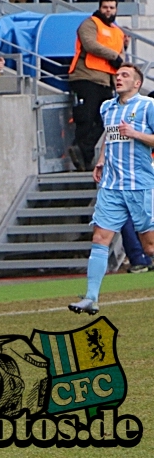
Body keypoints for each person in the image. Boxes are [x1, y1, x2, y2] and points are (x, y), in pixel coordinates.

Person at [69, 64, 154, 315]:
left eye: (125, 75)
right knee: (99, 238)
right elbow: (110, 135)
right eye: (117, 75)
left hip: (139, 184)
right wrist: (102, 159)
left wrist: (137, 133)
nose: (118, 78)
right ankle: (91, 298)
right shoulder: (107, 107)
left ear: (137, 83)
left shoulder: (147, 106)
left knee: (149, 246)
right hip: (112, 186)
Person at [68, 0, 125, 170]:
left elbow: (120, 55)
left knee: (105, 119)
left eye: (112, 7)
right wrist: (114, 56)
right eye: (105, 7)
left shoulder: (118, 32)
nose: (108, 10)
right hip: (86, 76)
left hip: (106, 80)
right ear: (100, 8)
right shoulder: (90, 23)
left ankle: (83, 150)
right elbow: (90, 44)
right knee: (86, 117)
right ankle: (83, 156)